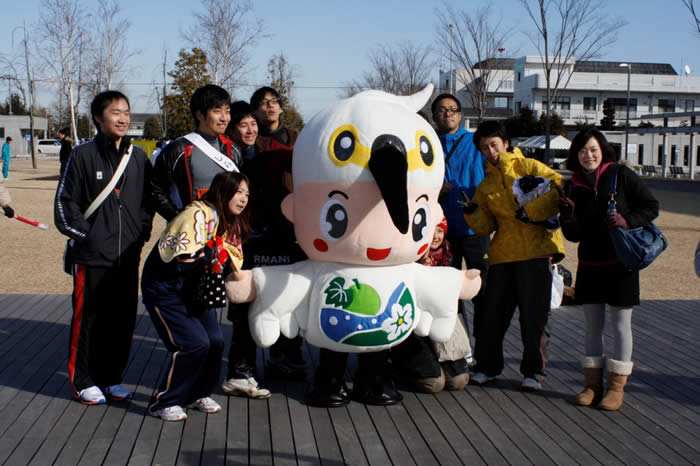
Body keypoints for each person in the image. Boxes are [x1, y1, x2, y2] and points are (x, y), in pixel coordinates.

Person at [54, 90, 153, 405]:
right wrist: (89, 236)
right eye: (115, 112)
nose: (123, 118)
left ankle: (111, 377)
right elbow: (63, 205)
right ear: (98, 118)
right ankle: (82, 380)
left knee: (122, 320)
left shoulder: (137, 157)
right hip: (92, 257)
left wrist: (142, 233)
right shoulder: (81, 155)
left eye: (126, 111)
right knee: (88, 321)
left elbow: (147, 203)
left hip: (127, 257)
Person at [559, 129, 659, 410]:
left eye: (592, 149)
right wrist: (566, 217)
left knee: (620, 325)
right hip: (590, 264)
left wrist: (627, 220)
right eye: (582, 151)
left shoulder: (620, 175)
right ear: (575, 155)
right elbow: (575, 235)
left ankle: (616, 387)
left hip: (621, 265)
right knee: (592, 327)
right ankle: (592, 385)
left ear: (602, 150)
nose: (588, 155)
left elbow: (651, 205)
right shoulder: (573, 185)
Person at [463, 120, 565, 392]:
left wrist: (532, 212)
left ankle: (533, 372)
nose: (490, 151)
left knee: (534, 318)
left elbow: (558, 187)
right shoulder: (485, 185)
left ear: (506, 143)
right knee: (492, 316)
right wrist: (472, 212)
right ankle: (487, 367)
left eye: (494, 145)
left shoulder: (530, 167)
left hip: (537, 250)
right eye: (484, 147)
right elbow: (485, 228)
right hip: (503, 255)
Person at [142, 171, 250, 421]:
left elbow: (232, 261)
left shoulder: (230, 222)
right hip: (165, 289)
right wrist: (209, 255)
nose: (243, 198)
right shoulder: (197, 214)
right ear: (223, 190)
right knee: (193, 343)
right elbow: (181, 257)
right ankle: (165, 402)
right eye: (238, 191)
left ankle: (198, 393)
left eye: (247, 193)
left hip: (196, 290)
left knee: (215, 342)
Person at [249, 86, 306, 378]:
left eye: (273, 102)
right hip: (263, 224)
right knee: (266, 290)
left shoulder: (298, 138)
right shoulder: (252, 141)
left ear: (281, 108)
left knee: (294, 290)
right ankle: (267, 352)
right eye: (262, 104)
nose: (269, 107)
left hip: (295, 224)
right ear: (255, 111)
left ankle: (291, 352)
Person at [431, 94, 489, 352]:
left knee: (482, 291)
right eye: (442, 110)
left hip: (475, 228)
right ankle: (454, 350)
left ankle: (484, 354)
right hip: (441, 232)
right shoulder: (428, 142)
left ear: (461, 114)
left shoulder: (475, 143)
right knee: (445, 295)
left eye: (453, 110)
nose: (448, 114)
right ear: (434, 116)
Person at [391, 218, 471, 393]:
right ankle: (398, 367)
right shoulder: (408, 257)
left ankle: (440, 364)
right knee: (434, 383)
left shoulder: (448, 256)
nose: (436, 236)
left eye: (440, 231)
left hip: (440, 324)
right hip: (415, 327)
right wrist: (420, 268)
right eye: (431, 231)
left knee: (459, 380)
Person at [151, 84, 235, 222]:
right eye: (217, 111)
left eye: (227, 111)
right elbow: (155, 190)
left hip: (226, 235)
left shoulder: (233, 150)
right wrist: (179, 219)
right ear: (200, 115)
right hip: (191, 237)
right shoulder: (177, 149)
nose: (224, 118)